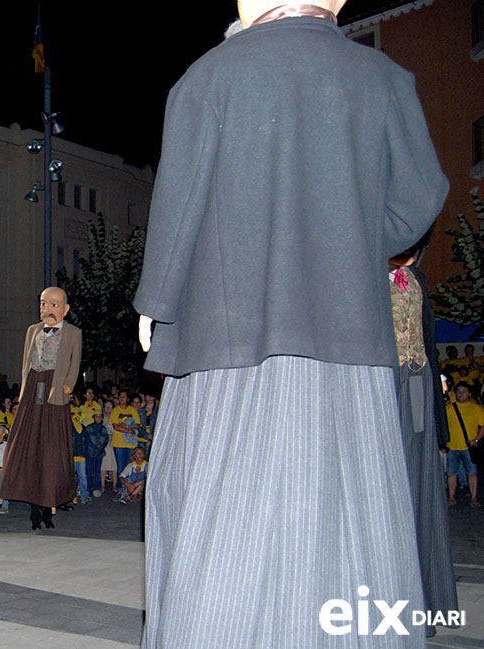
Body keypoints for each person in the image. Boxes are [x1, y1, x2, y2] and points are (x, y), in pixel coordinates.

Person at [134, 1, 448, 645]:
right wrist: (346, 245)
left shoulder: (208, 77)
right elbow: (419, 198)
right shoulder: (384, 77)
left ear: (247, 4)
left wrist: (156, 302)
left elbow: (178, 205)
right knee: (353, 509)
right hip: (348, 339)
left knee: (222, 507)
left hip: (227, 337)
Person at [389, 251, 459, 624]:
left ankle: (429, 602)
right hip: (384, 384)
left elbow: (427, 337)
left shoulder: (417, 281)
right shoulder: (368, 278)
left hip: (419, 382)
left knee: (421, 485)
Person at [0, 286, 81, 530]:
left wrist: (67, 387)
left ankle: (49, 507)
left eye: (53, 304)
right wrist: (24, 392)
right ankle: (34, 508)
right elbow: (26, 362)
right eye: (44, 304)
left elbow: (74, 363)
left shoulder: (73, 333)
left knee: (52, 451)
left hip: (55, 392)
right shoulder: (32, 330)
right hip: (34, 388)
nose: (47, 309)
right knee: (29, 446)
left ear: (65, 309)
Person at [445, 382, 484, 506]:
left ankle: (473, 498)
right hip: (452, 447)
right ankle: (451, 497)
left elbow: (483, 426)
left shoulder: (476, 408)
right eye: (459, 391)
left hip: (469, 447)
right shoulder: (449, 408)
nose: (461, 394)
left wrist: (477, 439)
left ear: (469, 394)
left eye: (464, 391)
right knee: (451, 474)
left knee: (472, 474)